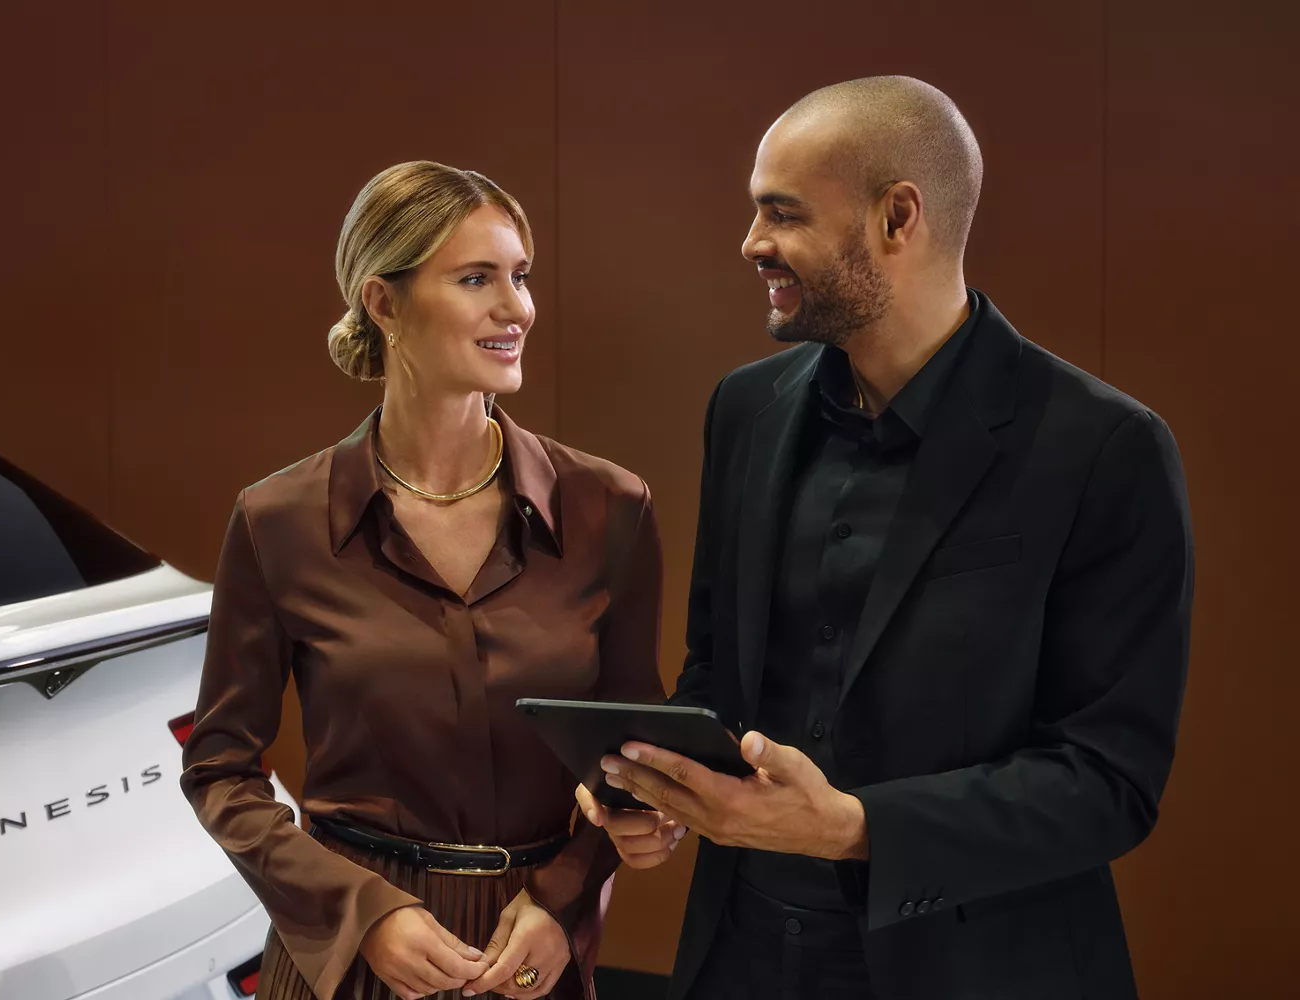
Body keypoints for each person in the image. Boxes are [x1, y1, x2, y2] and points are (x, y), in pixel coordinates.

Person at [577, 76, 1193, 999]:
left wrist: (852, 826)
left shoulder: (1107, 448)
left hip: (982, 968)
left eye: (780, 215)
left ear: (898, 218)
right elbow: (717, 675)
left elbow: (1108, 783)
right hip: (740, 957)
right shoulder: (744, 410)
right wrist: (659, 789)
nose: (752, 245)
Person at [181, 161, 665, 1000]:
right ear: (383, 302)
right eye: (477, 279)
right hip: (355, 960)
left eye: (520, 277)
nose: (516, 308)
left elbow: (629, 757)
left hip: (531, 957)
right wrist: (362, 914)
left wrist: (564, 902)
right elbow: (220, 770)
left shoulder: (610, 510)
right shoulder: (278, 520)